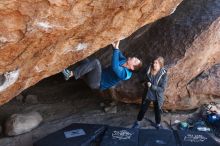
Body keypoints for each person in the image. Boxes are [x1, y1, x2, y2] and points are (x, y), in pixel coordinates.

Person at [62, 40, 142, 91]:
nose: (134, 58)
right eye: (135, 58)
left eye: (135, 60)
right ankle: (65, 54)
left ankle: (70, 74)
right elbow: (118, 53)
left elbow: (115, 67)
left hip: (96, 83)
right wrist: (114, 44)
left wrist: (116, 49)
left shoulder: (125, 74)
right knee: (83, 58)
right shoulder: (124, 60)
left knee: (96, 63)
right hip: (93, 76)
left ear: (132, 67)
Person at [133, 56, 168, 129]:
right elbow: (140, 73)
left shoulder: (164, 75)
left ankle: (158, 124)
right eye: (153, 62)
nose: (154, 64)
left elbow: (162, 89)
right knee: (142, 109)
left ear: (160, 64)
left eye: (156, 63)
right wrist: (142, 82)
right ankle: (137, 122)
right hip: (147, 95)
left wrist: (152, 86)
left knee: (157, 112)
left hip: (157, 97)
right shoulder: (148, 68)